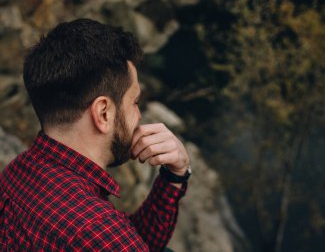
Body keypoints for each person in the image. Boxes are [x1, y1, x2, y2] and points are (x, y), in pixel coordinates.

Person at [0, 18, 191, 251]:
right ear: (103, 112)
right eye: (135, 102)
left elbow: (132, 240)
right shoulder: (93, 228)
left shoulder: (18, 171)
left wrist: (174, 177)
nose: (139, 115)